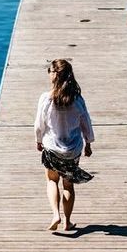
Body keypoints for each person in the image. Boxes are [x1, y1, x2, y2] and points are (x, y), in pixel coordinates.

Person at [34, 58, 95, 232]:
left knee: (52, 180)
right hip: (72, 150)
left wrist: (38, 140)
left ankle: (55, 214)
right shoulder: (77, 100)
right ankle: (67, 222)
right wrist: (88, 143)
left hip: (52, 148)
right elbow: (86, 122)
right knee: (68, 185)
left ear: (53, 75)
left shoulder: (46, 99)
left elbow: (39, 124)